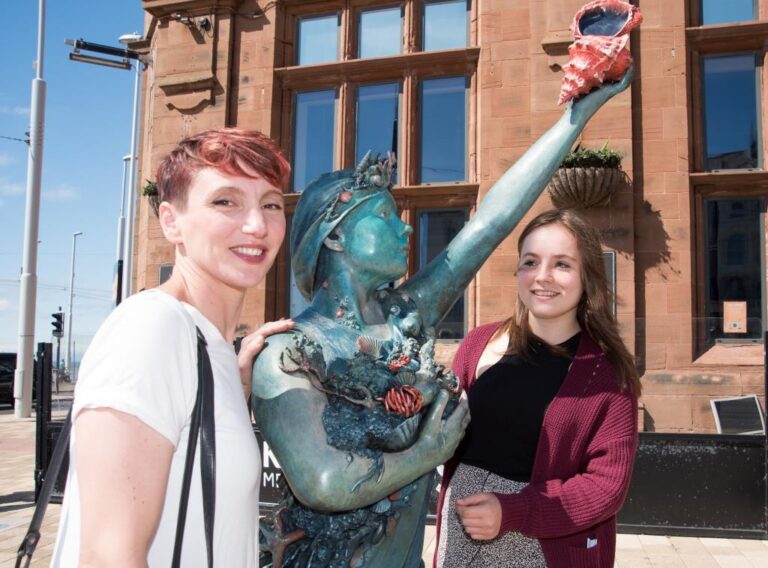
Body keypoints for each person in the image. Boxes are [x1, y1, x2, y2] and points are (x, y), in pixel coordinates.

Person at [251, 68, 634, 566]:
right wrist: (429, 452)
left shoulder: (406, 317)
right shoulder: (290, 351)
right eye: (385, 217)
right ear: (336, 237)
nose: (405, 230)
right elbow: (324, 482)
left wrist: (576, 116)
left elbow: (491, 222)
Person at [51, 128, 294, 567]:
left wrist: (233, 383)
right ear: (170, 221)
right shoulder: (153, 327)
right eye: (226, 201)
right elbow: (108, 557)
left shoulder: (209, 348)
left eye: (271, 204)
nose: (257, 225)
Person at [434, 208, 642, 568]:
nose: (542, 277)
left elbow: (606, 486)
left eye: (562, 264)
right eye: (530, 262)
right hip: (461, 528)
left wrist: (513, 510)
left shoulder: (609, 373)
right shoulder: (478, 344)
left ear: (587, 276)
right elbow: (440, 433)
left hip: (543, 544)